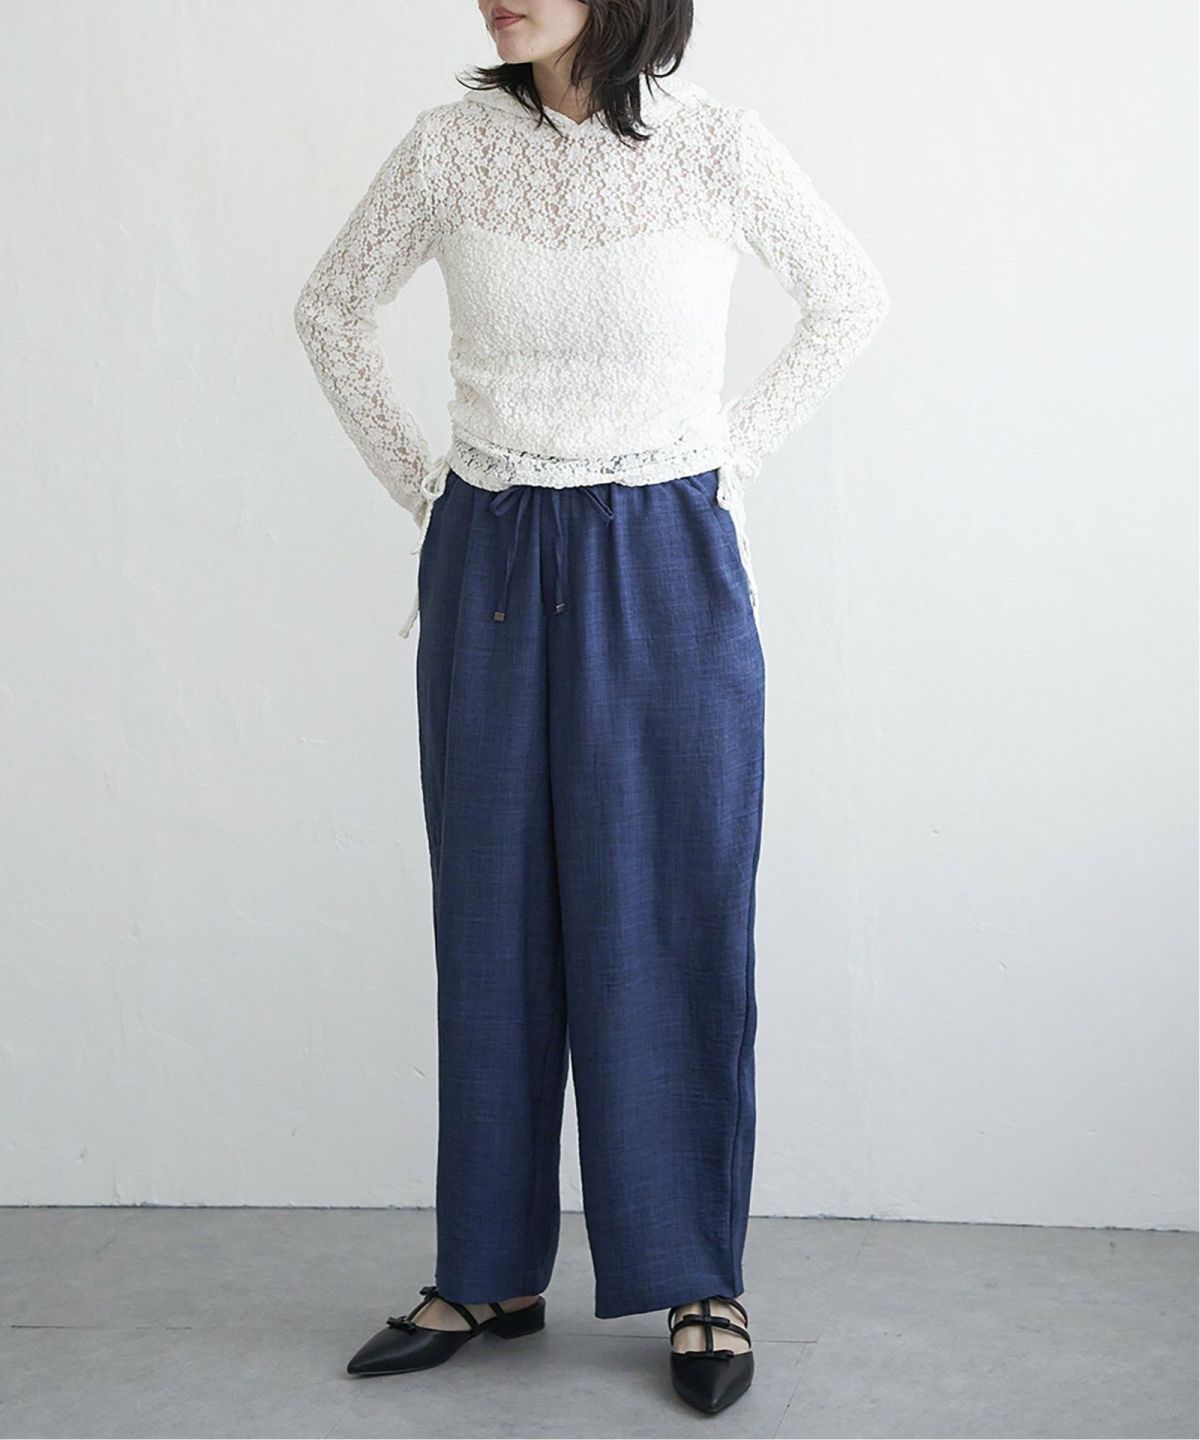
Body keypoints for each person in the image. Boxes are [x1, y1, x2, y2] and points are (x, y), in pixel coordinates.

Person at [293, 0, 888, 1416]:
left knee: (668, 916)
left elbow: (851, 296)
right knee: (492, 919)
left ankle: (697, 1276)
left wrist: (722, 463)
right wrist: (431, 493)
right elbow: (328, 309)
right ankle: (488, 1271)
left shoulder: (719, 146)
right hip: (492, 549)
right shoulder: (449, 147)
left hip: (665, 551)